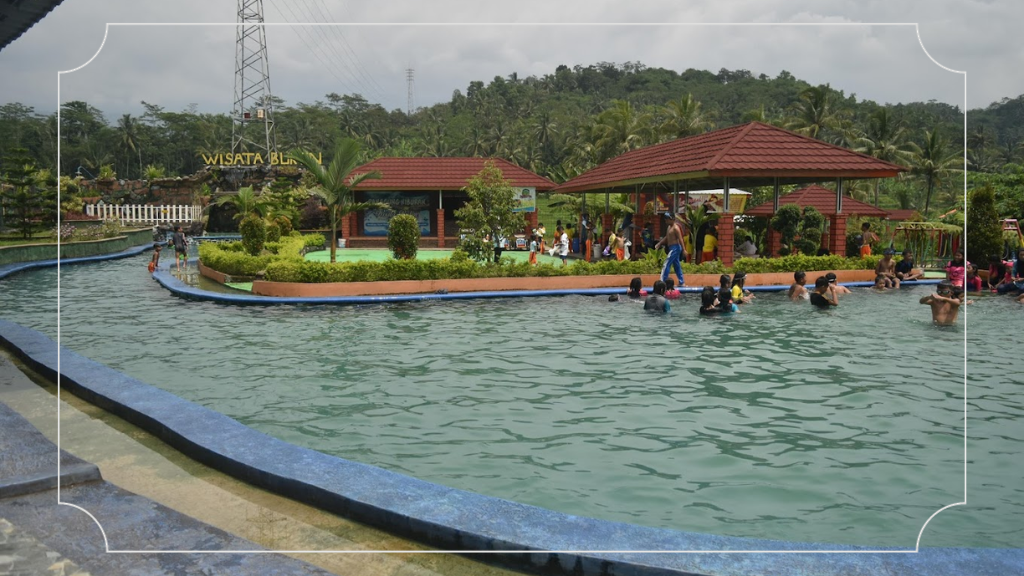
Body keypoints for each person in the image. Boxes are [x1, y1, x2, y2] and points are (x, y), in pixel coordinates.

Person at [655, 212, 686, 286]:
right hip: (671, 247)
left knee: (666, 264)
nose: (666, 220)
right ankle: (682, 282)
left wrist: (684, 249)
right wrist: (659, 243)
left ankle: (662, 281)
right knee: (676, 265)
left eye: (667, 219)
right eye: (665, 219)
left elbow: (680, 239)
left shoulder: (676, 228)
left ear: (672, 219)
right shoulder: (669, 227)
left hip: (676, 248)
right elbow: (667, 237)